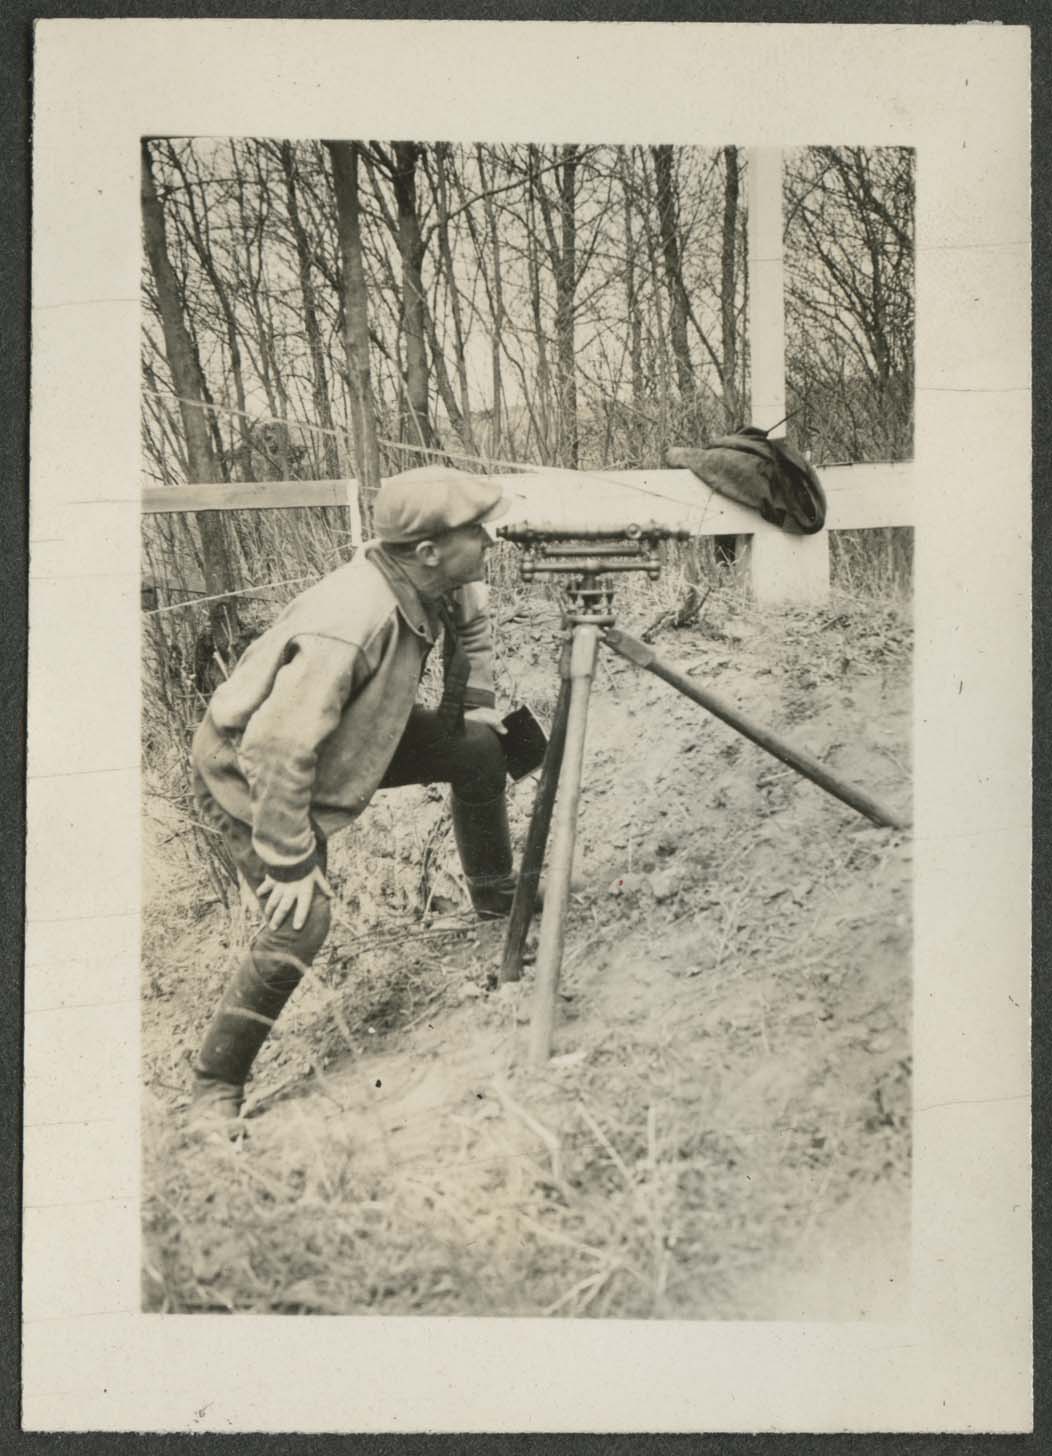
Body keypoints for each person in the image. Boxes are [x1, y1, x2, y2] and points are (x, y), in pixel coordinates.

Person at [187, 465, 519, 1132]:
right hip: (253, 772)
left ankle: (496, 898)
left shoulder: (437, 579)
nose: (490, 539)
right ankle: (214, 1089)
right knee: (301, 919)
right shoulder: (354, 619)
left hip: (357, 733)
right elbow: (274, 748)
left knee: (483, 749)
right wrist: (288, 859)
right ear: (428, 551)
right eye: (474, 533)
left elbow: (473, 633)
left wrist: (475, 706)